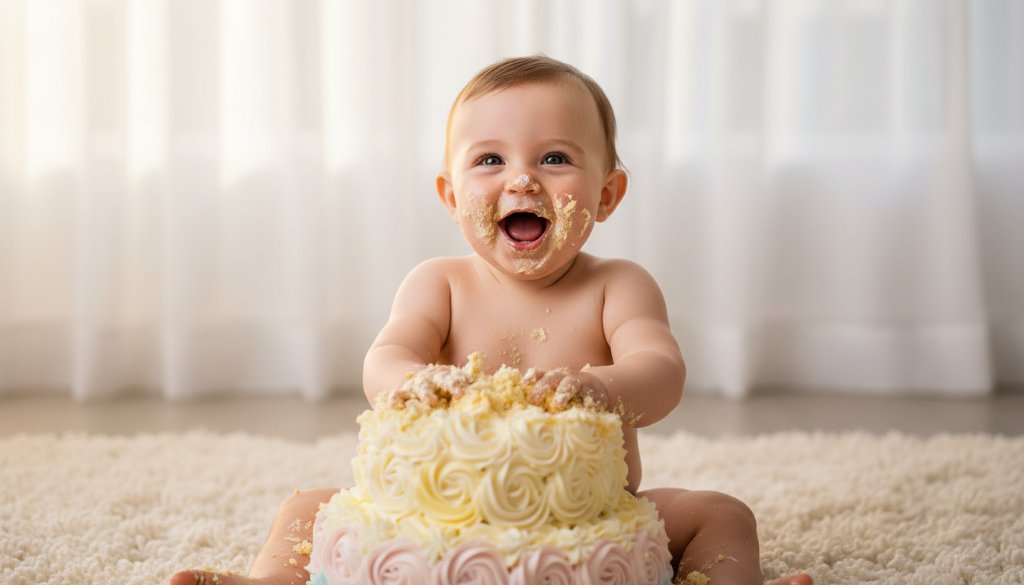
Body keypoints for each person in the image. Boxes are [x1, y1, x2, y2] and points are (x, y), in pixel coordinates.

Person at [171, 55, 812, 585]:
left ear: (607, 194)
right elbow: (386, 356)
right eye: (489, 161)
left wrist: (602, 388)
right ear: (452, 197)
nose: (523, 180)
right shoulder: (439, 283)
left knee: (719, 513)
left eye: (556, 158)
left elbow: (661, 371)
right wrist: (412, 382)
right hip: (435, 518)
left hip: (589, 515)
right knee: (307, 507)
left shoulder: (618, 285)